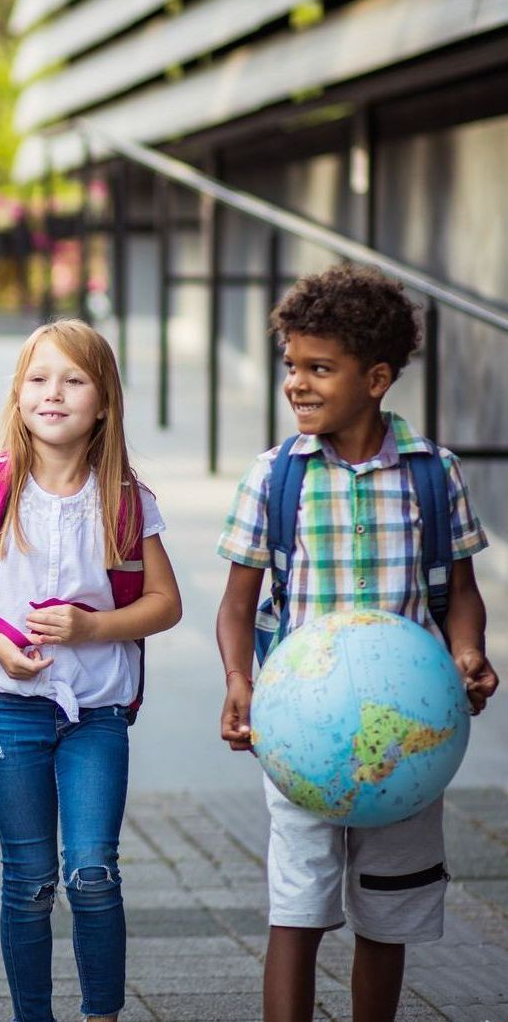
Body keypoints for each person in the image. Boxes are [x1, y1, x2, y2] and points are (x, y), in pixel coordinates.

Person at [215, 264, 496, 1022]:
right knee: (297, 905)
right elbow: (237, 607)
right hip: (299, 733)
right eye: (291, 367)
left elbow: (460, 594)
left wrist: (468, 652)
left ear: (376, 378)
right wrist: (240, 681)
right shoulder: (275, 477)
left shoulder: (433, 475)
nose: (297, 384)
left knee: (389, 912)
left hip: (407, 737)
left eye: (319, 368)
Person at [0, 319, 182, 1022]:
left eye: (73, 380)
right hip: (11, 708)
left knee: (92, 872)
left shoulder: (127, 499)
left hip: (96, 717)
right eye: (38, 379)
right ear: (17, 395)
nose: (53, 393)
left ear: (103, 401)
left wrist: (96, 626)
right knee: (31, 880)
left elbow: (165, 605)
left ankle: (102, 1014)